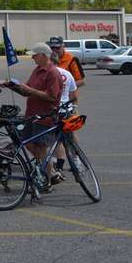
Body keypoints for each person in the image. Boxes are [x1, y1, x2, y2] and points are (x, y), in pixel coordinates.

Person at [2, 42, 62, 184]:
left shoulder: (52, 72)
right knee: (25, 142)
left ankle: (47, 179)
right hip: (32, 115)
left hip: (44, 116)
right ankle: (49, 171)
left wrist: (30, 91)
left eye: (35, 55)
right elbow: (26, 90)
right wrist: (11, 86)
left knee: (41, 147)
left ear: (43, 55)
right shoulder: (37, 70)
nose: (33, 58)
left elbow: (52, 97)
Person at [50, 49, 79, 179]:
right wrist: (74, 109)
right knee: (71, 136)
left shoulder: (49, 74)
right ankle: (77, 159)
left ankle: (57, 164)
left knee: (54, 139)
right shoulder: (67, 74)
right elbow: (74, 94)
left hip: (53, 111)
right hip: (66, 110)